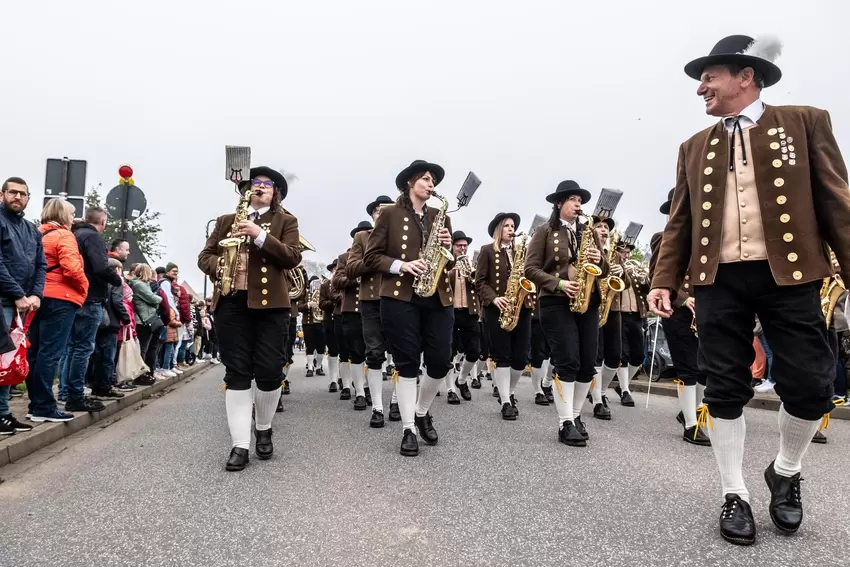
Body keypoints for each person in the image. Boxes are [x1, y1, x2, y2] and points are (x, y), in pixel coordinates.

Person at [648, 35, 850, 545]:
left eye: (709, 77)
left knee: (812, 385)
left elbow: (836, 201)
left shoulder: (806, 121)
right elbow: (681, 222)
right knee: (724, 386)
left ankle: (785, 471)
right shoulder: (693, 147)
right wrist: (663, 280)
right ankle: (733, 491)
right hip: (719, 281)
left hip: (790, 276)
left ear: (745, 75)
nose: (701, 88)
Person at [198, 166, 301, 471]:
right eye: (255, 183)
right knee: (237, 372)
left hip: (271, 306)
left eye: (267, 185)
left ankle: (264, 427)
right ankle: (240, 444)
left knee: (270, 372)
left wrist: (259, 235)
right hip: (231, 302)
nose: (260, 187)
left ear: (275, 192)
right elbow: (204, 256)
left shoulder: (286, 220)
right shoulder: (226, 221)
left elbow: (291, 256)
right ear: (246, 191)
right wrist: (222, 264)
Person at [363, 159, 455, 456]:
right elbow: (371, 258)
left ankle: (421, 409)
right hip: (400, 297)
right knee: (407, 364)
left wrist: (449, 247)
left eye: (433, 181)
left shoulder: (440, 216)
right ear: (410, 183)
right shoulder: (389, 214)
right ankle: (408, 427)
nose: (431, 185)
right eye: (426, 179)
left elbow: (449, 259)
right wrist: (402, 265)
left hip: (436, 295)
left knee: (441, 360)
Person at [525, 180, 606, 447]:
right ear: (559, 203)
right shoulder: (544, 231)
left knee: (587, 364)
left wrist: (599, 260)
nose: (578, 203)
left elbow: (604, 270)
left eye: (580, 200)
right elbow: (530, 269)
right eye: (572, 199)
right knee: (567, 360)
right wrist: (558, 283)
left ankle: (575, 413)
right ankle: (565, 422)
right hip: (556, 303)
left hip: (588, 302)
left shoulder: (589, 232)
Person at [649, 190, 710, 446]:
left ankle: (690, 411)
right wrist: (684, 298)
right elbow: (658, 277)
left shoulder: (704, 239)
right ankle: (690, 425)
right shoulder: (663, 239)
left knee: (704, 370)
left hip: (704, 312)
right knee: (688, 369)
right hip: (676, 312)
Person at [21, 198, 83, 423]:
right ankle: (45, 406)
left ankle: (35, 404)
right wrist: (83, 288)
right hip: (62, 298)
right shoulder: (65, 236)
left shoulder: (36, 234)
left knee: (35, 352)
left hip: (38, 296)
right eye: (72, 213)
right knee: (50, 353)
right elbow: (72, 268)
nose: (74, 218)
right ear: (64, 215)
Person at [476, 212, 533, 420]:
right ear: (499, 229)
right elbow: (479, 282)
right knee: (502, 356)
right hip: (497, 309)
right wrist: (494, 299)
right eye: (507, 225)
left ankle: (508, 391)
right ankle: (506, 401)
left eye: (513, 226)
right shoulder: (487, 251)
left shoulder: (523, 251)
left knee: (521, 358)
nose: (511, 228)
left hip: (522, 308)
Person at [345, 195, 394, 427]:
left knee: (402, 354)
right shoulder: (362, 237)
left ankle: (396, 401)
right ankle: (377, 407)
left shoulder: (402, 235)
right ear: (373, 215)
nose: (381, 213)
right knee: (374, 354)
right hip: (371, 301)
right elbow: (352, 268)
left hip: (399, 299)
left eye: (387, 210)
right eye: (377, 211)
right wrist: (374, 259)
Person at [334, 222, 373, 412]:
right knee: (356, 352)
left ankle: (368, 388)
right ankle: (359, 392)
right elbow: (337, 281)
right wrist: (354, 278)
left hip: (372, 307)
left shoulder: (376, 254)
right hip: (352, 310)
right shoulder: (344, 258)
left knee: (373, 352)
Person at [590, 216, 623, 419]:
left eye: (606, 227)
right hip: (593, 306)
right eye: (599, 226)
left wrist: (621, 273)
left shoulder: (615, 255)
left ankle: (600, 390)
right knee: (596, 354)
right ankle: (597, 400)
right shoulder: (587, 250)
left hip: (612, 308)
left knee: (614, 356)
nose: (603, 230)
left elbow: (625, 284)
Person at [446, 230, 480, 402]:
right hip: (450, 311)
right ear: (453, 247)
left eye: (465, 246)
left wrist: (471, 273)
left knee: (474, 351)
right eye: (459, 245)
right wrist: (454, 269)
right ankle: (450, 388)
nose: (462, 249)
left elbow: (480, 284)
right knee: (449, 352)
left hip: (469, 311)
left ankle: (461, 379)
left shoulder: (472, 264)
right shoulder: (447, 263)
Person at [90, 258, 131, 399]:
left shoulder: (96, 278)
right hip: (111, 322)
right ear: (117, 270)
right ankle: (105, 387)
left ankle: (95, 386)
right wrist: (126, 319)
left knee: (96, 356)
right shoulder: (116, 281)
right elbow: (117, 302)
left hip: (97, 321)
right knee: (108, 358)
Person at [128, 264, 162, 385]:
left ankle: (145, 372)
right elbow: (154, 299)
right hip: (144, 320)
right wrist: (158, 299)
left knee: (145, 348)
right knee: (143, 349)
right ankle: (140, 375)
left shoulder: (140, 284)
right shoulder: (140, 285)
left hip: (145, 319)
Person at [319, 261, 340, 393]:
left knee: (346, 351)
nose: (337, 271)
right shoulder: (326, 285)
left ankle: (344, 378)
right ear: (332, 270)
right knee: (333, 351)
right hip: (330, 320)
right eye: (335, 269)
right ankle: (333, 380)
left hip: (344, 319)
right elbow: (321, 303)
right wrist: (334, 302)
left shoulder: (346, 283)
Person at [298, 275, 325, 377]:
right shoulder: (305, 293)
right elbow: (299, 307)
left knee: (321, 346)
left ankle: (318, 367)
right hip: (308, 323)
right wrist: (308, 304)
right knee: (310, 346)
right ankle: (310, 368)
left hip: (321, 322)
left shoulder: (322, 292)